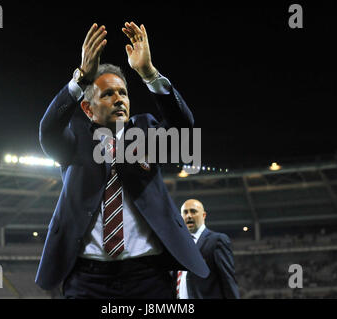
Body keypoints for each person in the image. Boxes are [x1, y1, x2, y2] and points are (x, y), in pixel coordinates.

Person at [35, 22, 209, 299]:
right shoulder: (75, 139)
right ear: (87, 108)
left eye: (123, 93)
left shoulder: (146, 131)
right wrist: (80, 79)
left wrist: (149, 74)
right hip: (87, 277)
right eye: (108, 94)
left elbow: (184, 129)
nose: (119, 99)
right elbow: (48, 130)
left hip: (148, 276)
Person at [178, 199, 240, 299]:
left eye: (193, 211)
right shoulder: (178, 245)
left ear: (203, 215)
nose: (189, 215)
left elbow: (228, 279)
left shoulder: (217, 240)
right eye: (185, 212)